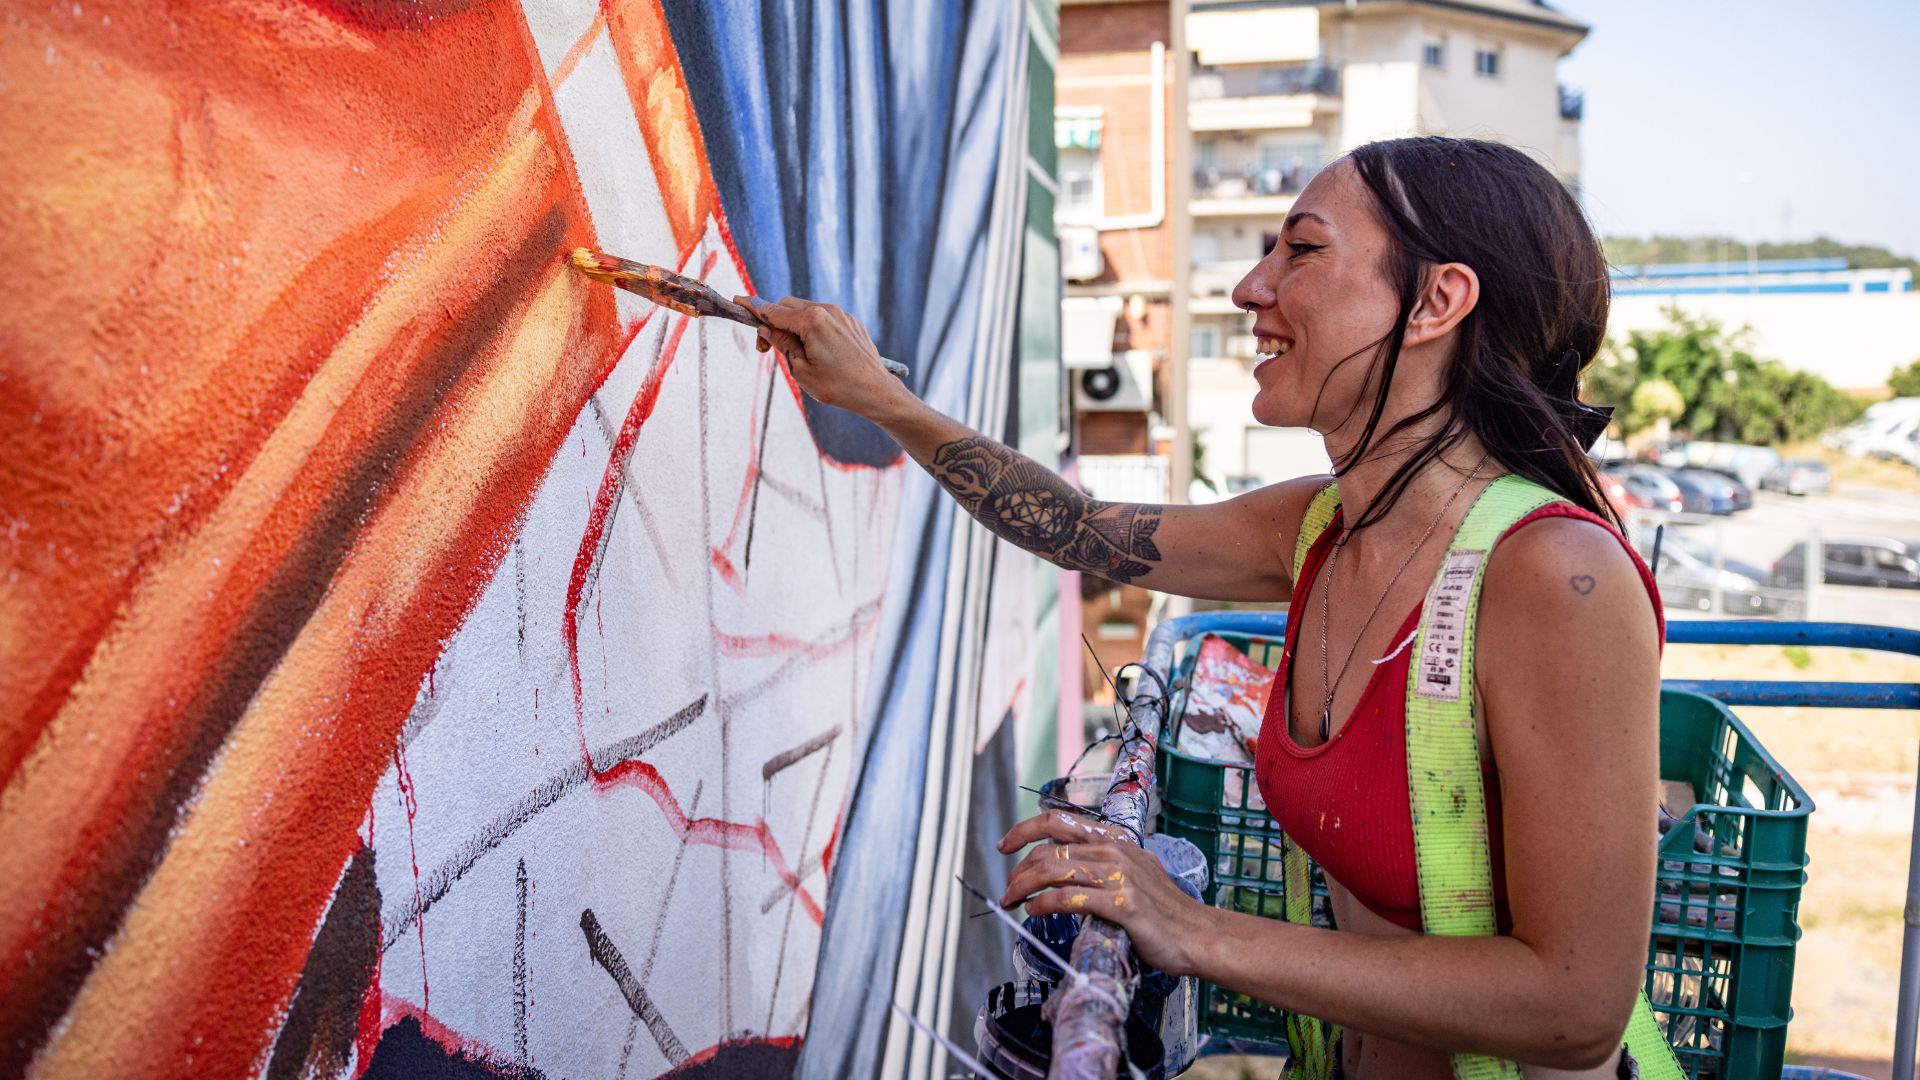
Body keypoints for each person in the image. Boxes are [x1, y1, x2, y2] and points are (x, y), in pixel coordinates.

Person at [745, 136, 1663, 1079]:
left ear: (1436, 302)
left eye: (1301, 250)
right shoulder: (1322, 528)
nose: (1250, 288)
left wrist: (1190, 929)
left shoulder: (1556, 576)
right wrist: (883, 401)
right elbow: (1081, 529)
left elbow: (1575, 1005)